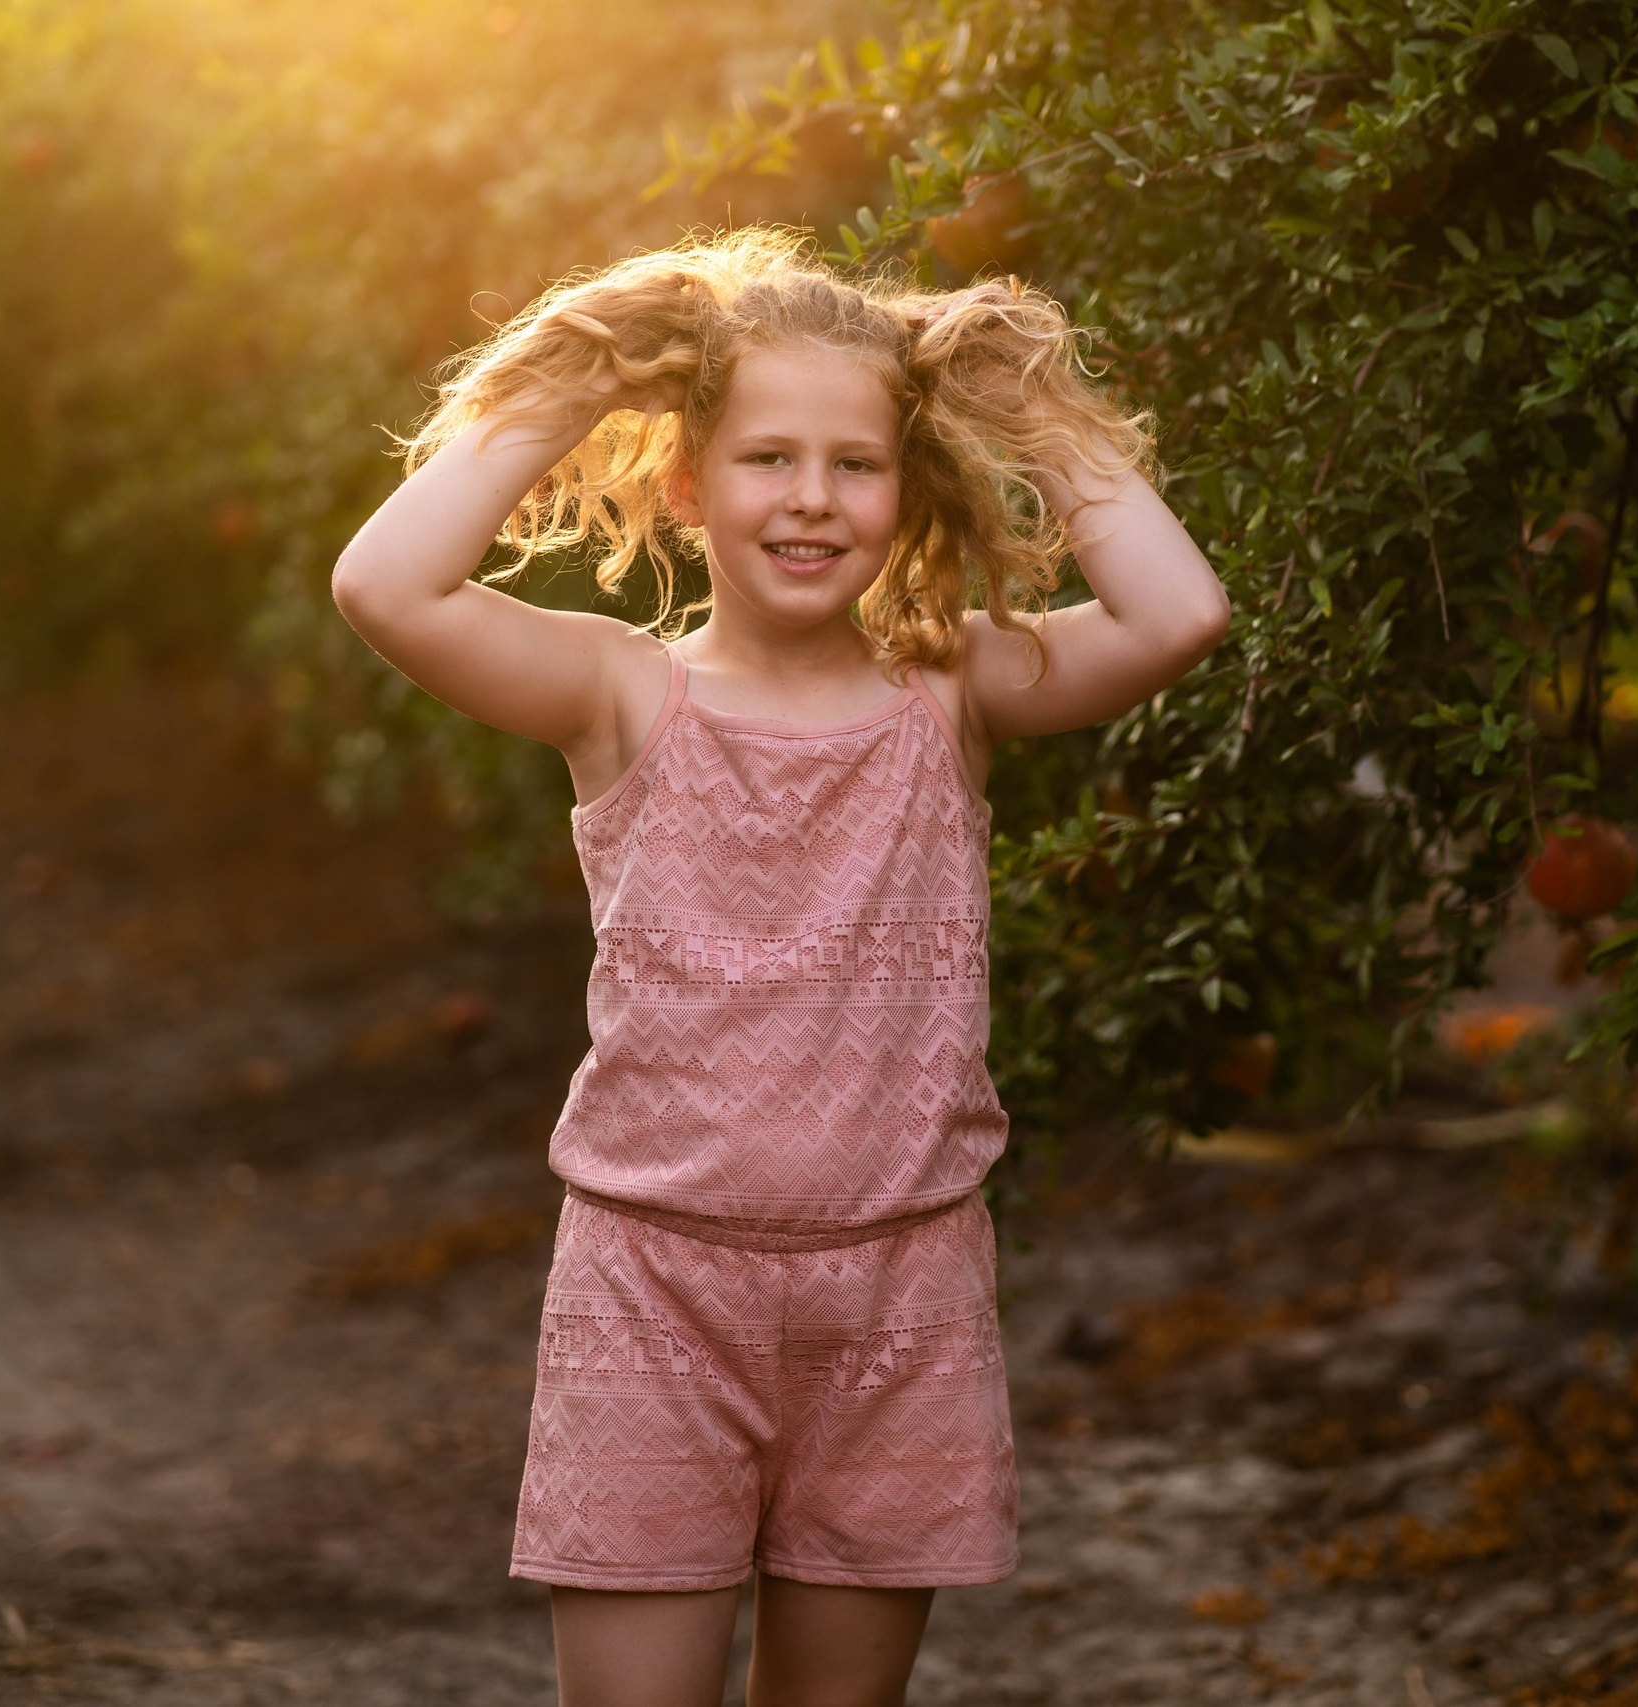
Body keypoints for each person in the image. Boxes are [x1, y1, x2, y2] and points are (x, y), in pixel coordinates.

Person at [331, 228, 1228, 1707]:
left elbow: (1177, 615)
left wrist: (1042, 418)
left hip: (904, 1289)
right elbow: (387, 587)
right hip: (653, 1289)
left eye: (856, 465)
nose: (811, 499)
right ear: (689, 482)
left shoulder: (950, 688)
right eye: (765, 458)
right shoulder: (620, 692)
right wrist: (565, 383)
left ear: (907, 488)